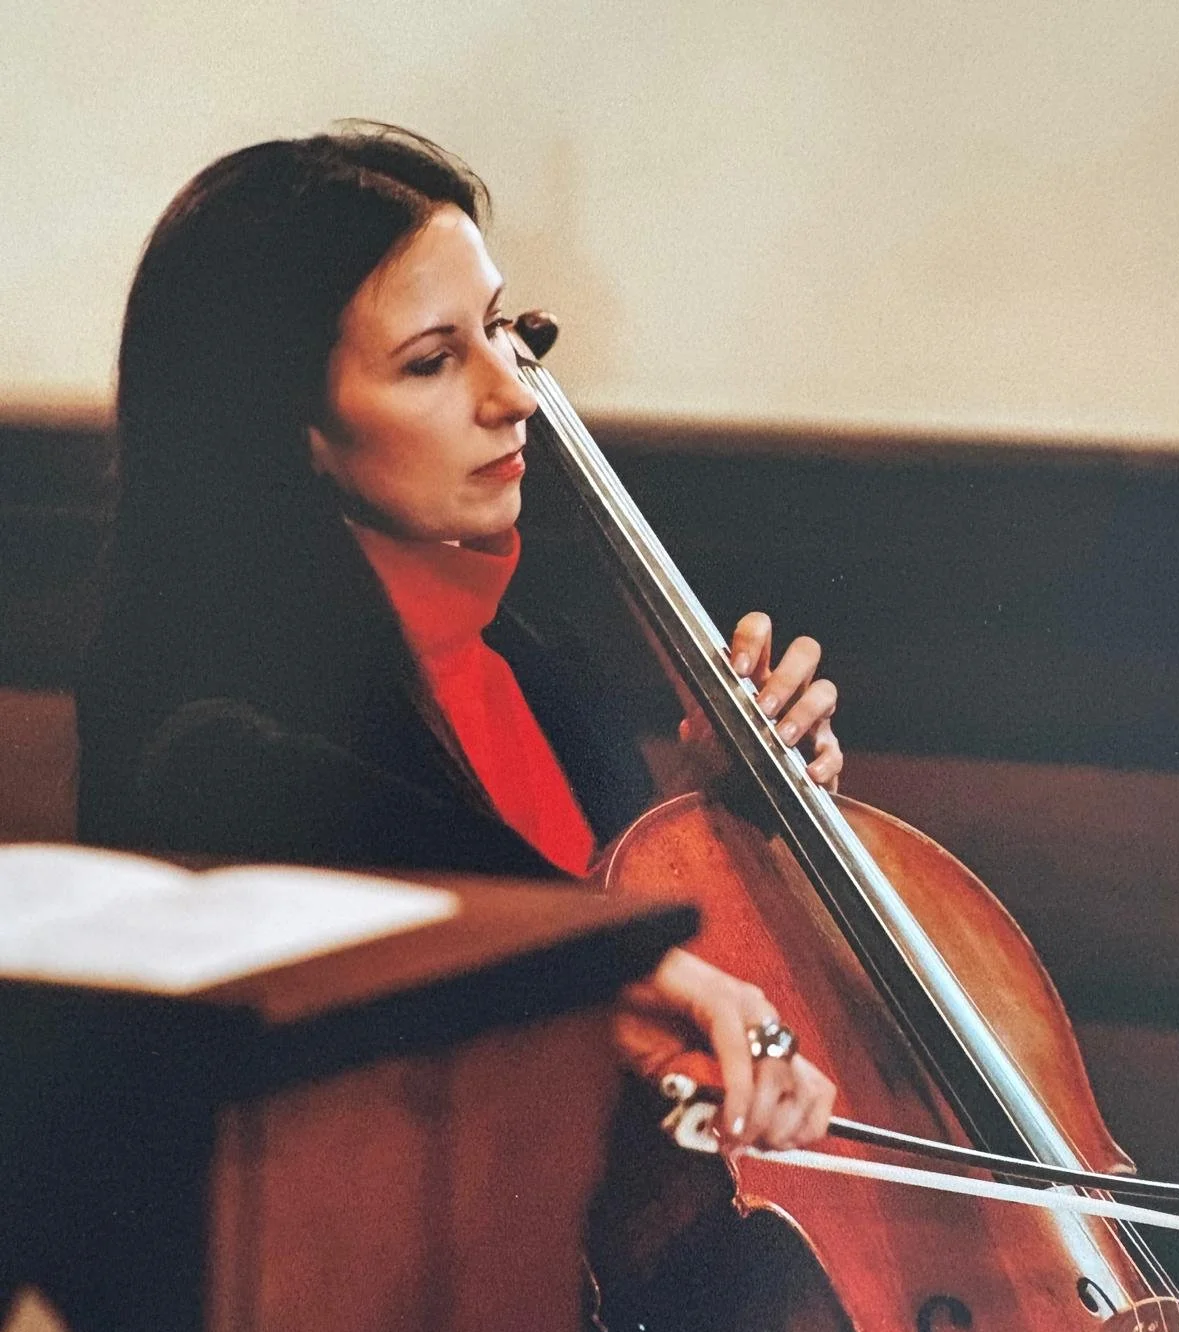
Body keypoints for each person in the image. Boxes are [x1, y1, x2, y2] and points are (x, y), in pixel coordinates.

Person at [79, 123, 844, 1153]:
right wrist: (617, 953)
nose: (516, 393)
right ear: (291, 430)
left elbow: (663, 1053)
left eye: (502, 330)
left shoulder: (538, 661)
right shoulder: (187, 695)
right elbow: (260, 793)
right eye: (434, 361)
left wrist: (730, 819)